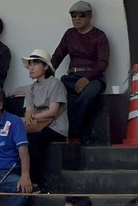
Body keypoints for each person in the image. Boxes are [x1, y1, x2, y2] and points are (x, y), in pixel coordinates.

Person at [51, 1, 110, 145]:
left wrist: (87, 78)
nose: (77, 18)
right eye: (73, 15)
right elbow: (57, 56)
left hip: (94, 78)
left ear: (89, 16)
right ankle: (51, 132)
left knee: (89, 94)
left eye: (81, 15)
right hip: (72, 77)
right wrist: (46, 76)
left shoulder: (99, 35)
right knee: (54, 89)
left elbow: (103, 63)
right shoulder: (69, 34)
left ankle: (73, 133)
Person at [23, 49, 69, 187]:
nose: (31, 68)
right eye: (30, 64)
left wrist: (33, 117)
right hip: (37, 125)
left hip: (56, 128)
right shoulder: (30, 88)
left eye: (35, 64)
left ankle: (38, 181)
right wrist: (28, 116)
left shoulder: (55, 84)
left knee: (33, 141)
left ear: (45, 66)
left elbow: (53, 111)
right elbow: (28, 110)